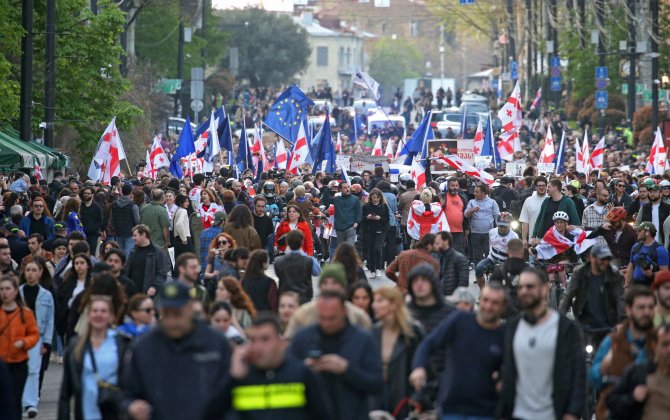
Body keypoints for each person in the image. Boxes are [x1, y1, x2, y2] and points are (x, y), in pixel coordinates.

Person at [120, 282, 232, 420]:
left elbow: (230, 397)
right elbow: (127, 394)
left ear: (190, 309)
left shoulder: (215, 344)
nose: (172, 321)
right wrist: (131, 406)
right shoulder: (143, 348)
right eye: (167, 314)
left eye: (178, 314)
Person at [410, 283, 507, 419]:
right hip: (451, 407)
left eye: (495, 303)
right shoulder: (459, 320)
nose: (488, 306)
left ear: (503, 306)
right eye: (485, 300)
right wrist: (418, 367)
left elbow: (511, 369)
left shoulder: (504, 335)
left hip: (485, 411)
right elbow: (429, 343)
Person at [499, 267, 585, 420]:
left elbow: (578, 373)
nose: (524, 291)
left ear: (545, 288)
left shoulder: (565, 328)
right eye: (520, 287)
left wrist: (572, 412)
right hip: (517, 414)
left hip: (553, 414)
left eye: (530, 286)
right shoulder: (511, 328)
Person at [208, 314, 332, 420]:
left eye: (265, 339)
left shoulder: (301, 374)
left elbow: (324, 415)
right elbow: (210, 415)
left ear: (281, 343)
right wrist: (232, 378)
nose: (258, 347)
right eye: (253, 340)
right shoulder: (241, 376)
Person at [288, 290, 383, 420]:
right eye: (322, 317)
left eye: (332, 318)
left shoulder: (363, 339)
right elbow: (285, 380)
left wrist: (346, 369)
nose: (327, 323)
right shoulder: (303, 338)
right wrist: (304, 370)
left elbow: (376, 384)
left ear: (344, 312)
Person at [58, 295, 129, 420]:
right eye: (95, 311)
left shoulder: (121, 343)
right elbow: (66, 392)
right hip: (85, 411)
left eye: (103, 311)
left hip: (114, 411)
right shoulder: (76, 345)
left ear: (111, 316)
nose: (99, 315)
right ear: (88, 316)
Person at [589, 286, 656, 417]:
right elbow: (593, 378)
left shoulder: (661, 342)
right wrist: (604, 367)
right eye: (641, 307)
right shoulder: (613, 342)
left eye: (650, 307)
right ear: (629, 310)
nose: (647, 312)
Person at [370, 286, 422, 418]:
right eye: (374, 301)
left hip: (404, 403)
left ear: (394, 304)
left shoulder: (412, 333)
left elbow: (425, 368)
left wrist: (416, 399)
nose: (374, 305)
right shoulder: (372, 333)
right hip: (377, 402)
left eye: (380, 301)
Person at [284, 264, 372, 339]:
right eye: (325, 283)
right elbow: (289, 344)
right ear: (320, 286)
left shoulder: (358, 317)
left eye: (334, 283)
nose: (329, 287)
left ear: (342, 286)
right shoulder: (303, 314)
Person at [606, 324, 670, 420]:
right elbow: (612, 402)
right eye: (665, 344)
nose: (669, 350)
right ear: (655, 346)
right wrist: (632, 398)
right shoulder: (638, 373)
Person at [0, 275, 40, 420]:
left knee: (15, 398)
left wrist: (24, 342)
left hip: (18, 363)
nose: (4, 292)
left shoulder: (25, 313)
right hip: (1, 362)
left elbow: (34, 334)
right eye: (2, 289)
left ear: (16, 291)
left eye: (8, 289)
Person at [18, 258, 54, 417]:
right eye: (28, 271)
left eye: (34, 271)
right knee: (18, 369)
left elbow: (50, 320)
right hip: (18, 336)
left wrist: (46, 341)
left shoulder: (46, 295)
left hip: (37, 336)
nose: (31, 274)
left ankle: (30, 403)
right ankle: (18, 399)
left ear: (40, 273)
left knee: (33, 370)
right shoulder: (17, 293)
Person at [560, 244, 625, 331]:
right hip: (583, 322)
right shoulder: (580, 273)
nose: (605, 262)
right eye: (602, 259)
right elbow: (568, 295)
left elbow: (620, 299)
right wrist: (560, 320)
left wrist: (621, 322)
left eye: (608, 259)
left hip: (609, 324)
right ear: (592, 258)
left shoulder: (615, 275)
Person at [274, 230, 319, 304]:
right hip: (304, 298)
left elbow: (278, 273)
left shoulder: (278, 262)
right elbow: (317, 273)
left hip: (286, 298)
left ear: (287, 243)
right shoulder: (309, 260)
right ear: (302, 242)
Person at [123, 224, 169, 296]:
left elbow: (162, 273)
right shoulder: (133, 251)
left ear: (143, 234)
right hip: (132, 294)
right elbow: (126, 270)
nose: (133, 238)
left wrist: (154, 287)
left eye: (135, 235)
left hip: (149, 295)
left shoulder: (157, 252)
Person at [475, 213, 518, 290]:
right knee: (478, 268)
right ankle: (483, 291)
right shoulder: (492, 232)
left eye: (505, 226)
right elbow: (490, 246)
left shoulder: (514, 236)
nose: (503, 228)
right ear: (497, 224)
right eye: (501, 226)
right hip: (492, 259)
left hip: (506, 261)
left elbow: (515, 254)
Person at [56, 254, 92, 343]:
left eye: (82, 263)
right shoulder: (68, 282)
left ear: (88, 265)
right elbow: (62, 299)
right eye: (76, 263)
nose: (79, 266)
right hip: (71, 319)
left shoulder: (93, 283)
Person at [489, 238, 528, 317]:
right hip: (525, 315)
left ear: (507, 252)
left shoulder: (498, 272)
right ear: (522, 251)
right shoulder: (531, 273)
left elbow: (491, 294)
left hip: (503, 314)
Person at [625, 222, 669, 287]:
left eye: (640, 231)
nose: (637, 233)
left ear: (647, 233)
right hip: (636, 285)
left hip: (651, 285)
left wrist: (652, 274)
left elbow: (665, 272)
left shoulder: (660, 249)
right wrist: (626, 285)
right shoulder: (636, 247)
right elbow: (630, 267)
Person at [465, 184, 500, 265]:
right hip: (475, 233)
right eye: (474, 191)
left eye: (477, 192)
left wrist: (498, 230)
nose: (474, 193)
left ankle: (490, 273)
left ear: (483, 193)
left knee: (489, 254)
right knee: (477, 255)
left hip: (488, 233)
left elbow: (497, 216)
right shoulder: (471, 202)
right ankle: (478, 274)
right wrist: (472, 210)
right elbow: (466, 214)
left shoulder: (492, 202)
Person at [361, 188, 390, 277]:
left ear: (380, 198)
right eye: (374, 197)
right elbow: (362, 218)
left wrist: (379, 218)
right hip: (369, 231)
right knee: (371, 250)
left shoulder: (384, 206)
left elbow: (387, 219)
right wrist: (367, 217)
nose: (375, 199)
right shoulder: (366, 206)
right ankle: (372, 269)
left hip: (380, 231)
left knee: (377, 249)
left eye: (377, 197)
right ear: (371, 197)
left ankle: (378, 268)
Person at [434, 231, 469, 297]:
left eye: (438, 241)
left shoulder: (460, 259)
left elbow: (463, 284)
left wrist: (455, 298)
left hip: (452, 298)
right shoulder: (436, 258)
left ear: (446, 241)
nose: (436, 243)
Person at [109, 183, 141, 256]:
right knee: (128, 252)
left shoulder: (114, 204)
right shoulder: (133, 205)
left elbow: (111, 219)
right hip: (130, 232)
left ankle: (120, 266)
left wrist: (114, 228)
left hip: (118, 232)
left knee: (119, 252)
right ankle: (126, 267)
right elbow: (137, 221)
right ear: (131, 192)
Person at [443, 177, 469, 254]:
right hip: (446, 230)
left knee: (458, 252)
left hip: (459, 230)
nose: (455, 188)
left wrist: (466, 228)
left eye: (456, 185)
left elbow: (465, 213)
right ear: (448, 186)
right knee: (446, 252)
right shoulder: (443, 196)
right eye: (452, 185)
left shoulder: (463, 197)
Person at [79, 187, 105, 256]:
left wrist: (92, 229)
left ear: (92, 194)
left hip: (92, 235)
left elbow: (100, 221)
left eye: (88, 193)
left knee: (91, 254)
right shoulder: (80, 206)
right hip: (81, 234)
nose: (86, 195)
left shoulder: (97, 207)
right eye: (85, 193)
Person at [251, 196, 275, 261]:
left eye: (263, 206)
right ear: (254, 205)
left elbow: (270, 238)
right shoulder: (249, 218)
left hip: (264, 252)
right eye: (258, 206)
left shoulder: (268, 220)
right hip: (251, 252)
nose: (261, 208)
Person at [172, 193, 193, 258]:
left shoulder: (176, 210)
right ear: (181, 202)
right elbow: (179, 224)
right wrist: (184, 239)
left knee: (179, 262)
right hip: (184, 239)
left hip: (176, 239)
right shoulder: (183, 211)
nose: (188, 203)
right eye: (186, 201)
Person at [398, 179, 417, 249]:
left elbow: (400, 207)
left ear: (406, 186)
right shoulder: (419, 194)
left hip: (407, 221)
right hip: (417, 220)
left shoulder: (403, 196)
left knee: (408, 240)